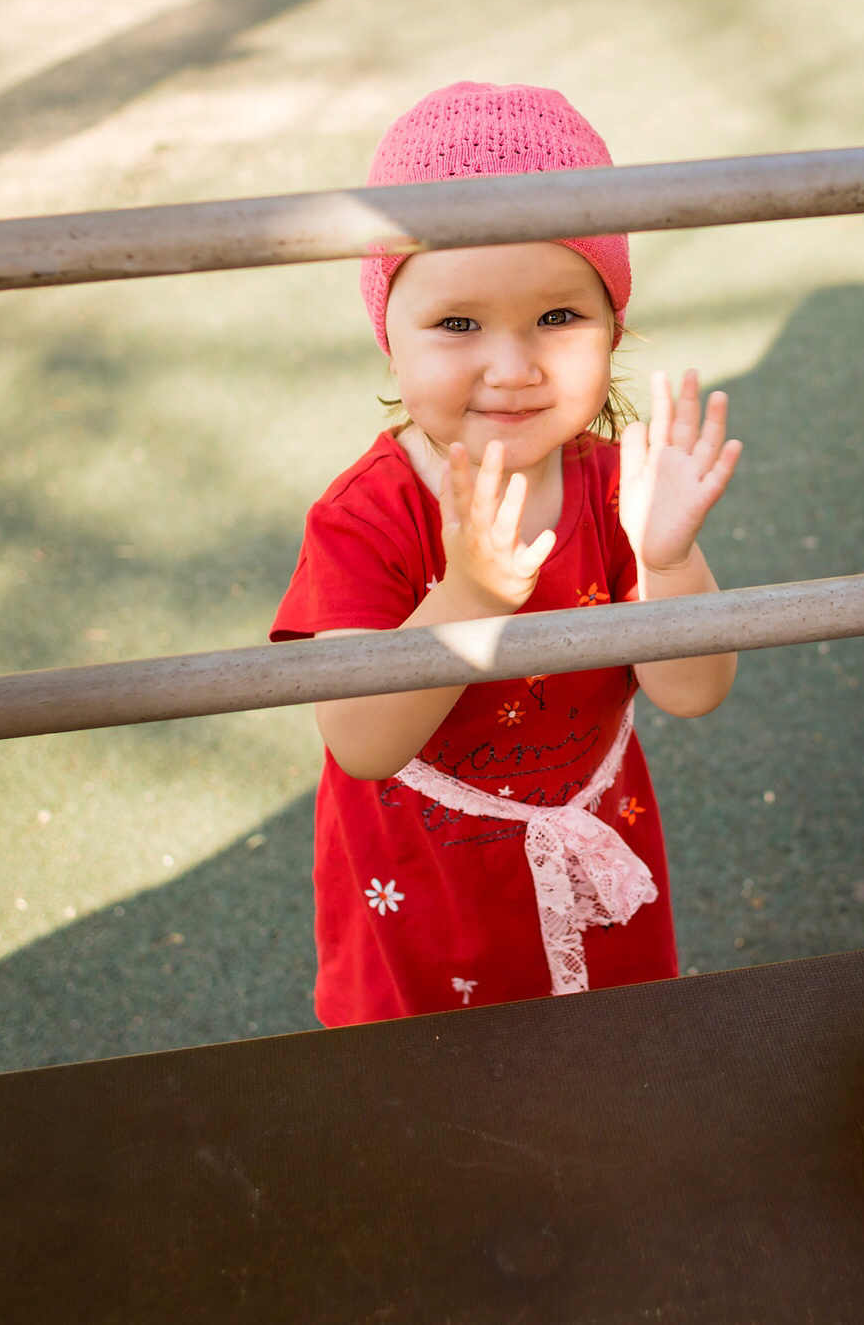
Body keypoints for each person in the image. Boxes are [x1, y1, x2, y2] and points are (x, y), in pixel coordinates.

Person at [272, 82, 743, 1026]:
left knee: (612, 1058)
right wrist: (468, 598)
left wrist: (666, 560)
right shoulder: (367, 518)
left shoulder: (616, 488)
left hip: (594, 852)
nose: (512, 367)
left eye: (558, 317)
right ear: (391, 336)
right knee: (440, 1088)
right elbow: (362, 743)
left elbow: (694, 690)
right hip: (425, 896)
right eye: (458, 324)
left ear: (613, 325)